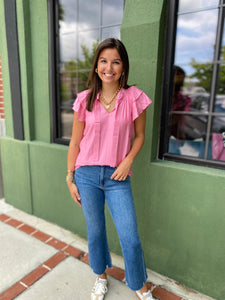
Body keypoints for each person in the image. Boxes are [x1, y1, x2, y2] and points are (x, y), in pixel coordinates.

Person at [66, 38, 153, 300]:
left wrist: (127, 161)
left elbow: (139, 136)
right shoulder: (84, 99)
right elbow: (75, 141)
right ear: (96, 66)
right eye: (103, 61)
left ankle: (139, 284)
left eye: (115, 61)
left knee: (130, 237)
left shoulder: (134, 97)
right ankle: (101, 277)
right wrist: (70, 176)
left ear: (123, 66)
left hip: (118, 176)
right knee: (95, 232)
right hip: (86, 175)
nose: (109, 67)